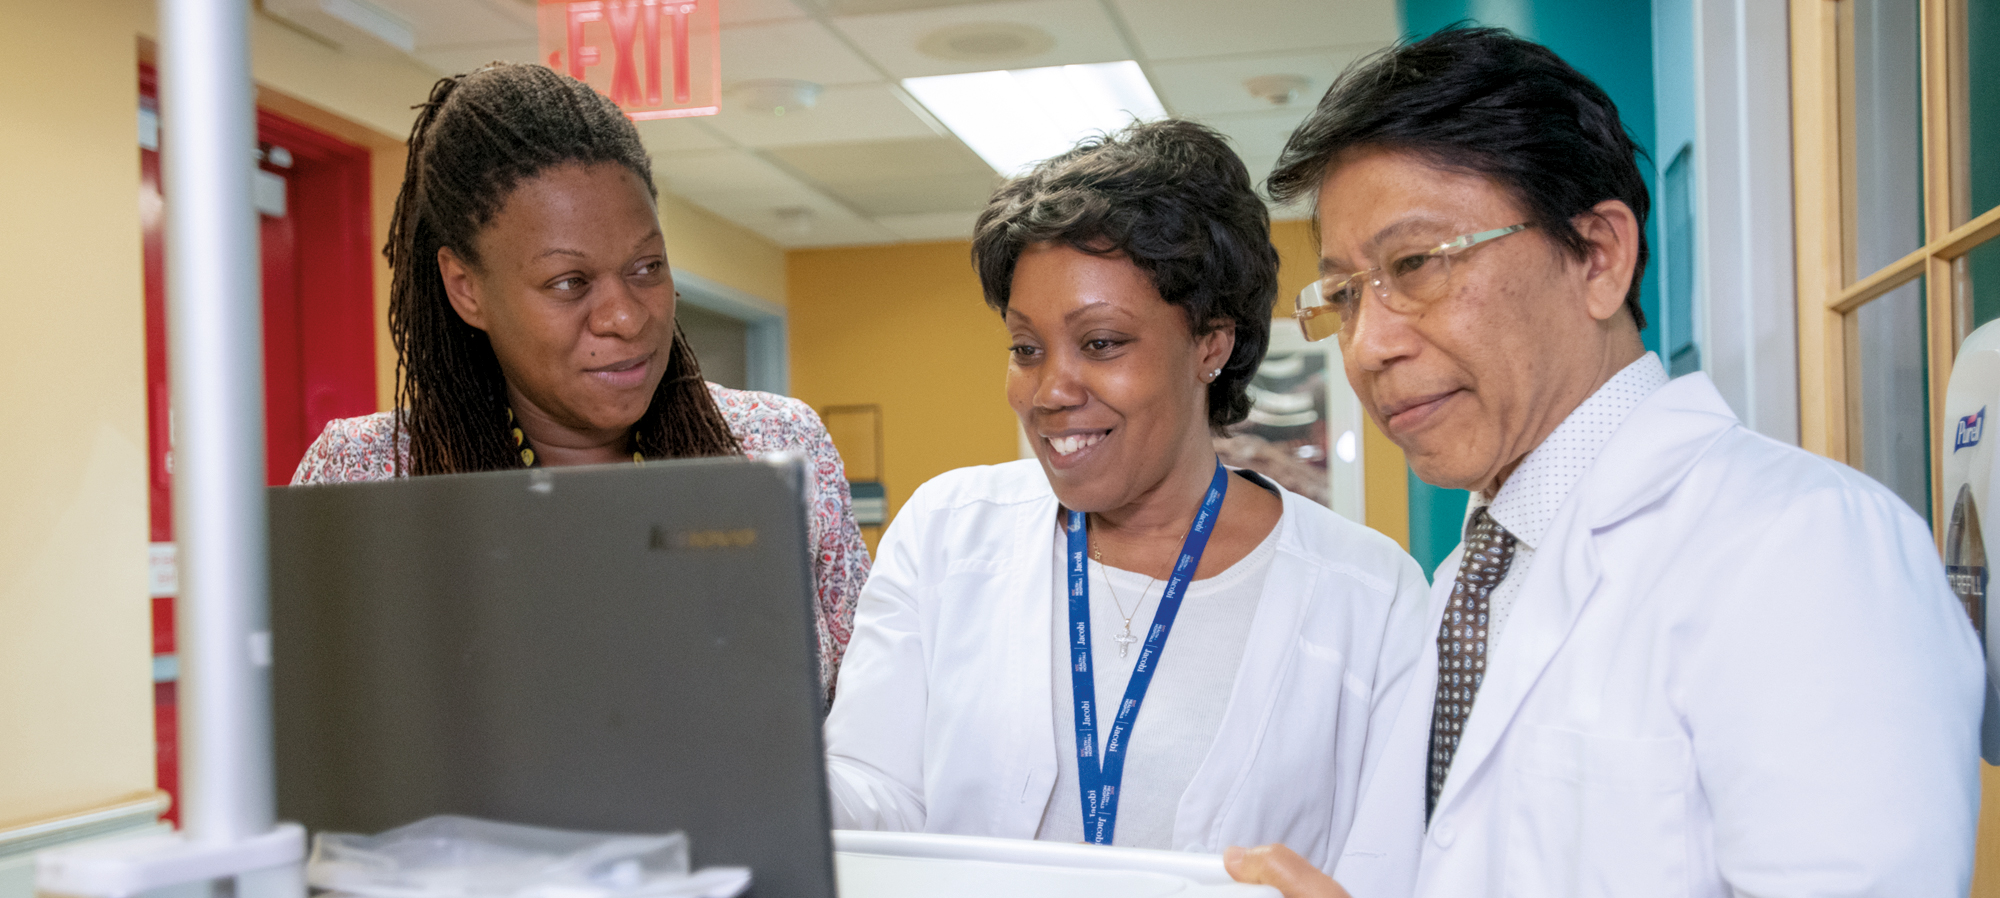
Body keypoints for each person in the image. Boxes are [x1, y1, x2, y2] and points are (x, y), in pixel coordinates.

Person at [1223, 27, 1984, 898]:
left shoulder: (1808, 548)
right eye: (1346, 297)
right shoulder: (1474, 578)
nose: (1370, 345)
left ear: (1598, 256)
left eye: (1416, 265)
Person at [822, 120, 1430, 864]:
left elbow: (1385, 867)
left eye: (1102, 343)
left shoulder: (1368, 593)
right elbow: (872, 793)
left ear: (1212, 342)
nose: (1050, 391)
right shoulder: (949, 533)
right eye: (1025, 348)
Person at [290, 64, 866, 695]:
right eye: (569, 283)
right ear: (466, 288)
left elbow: (872, 727)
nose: (625, 315)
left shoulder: (776, 447)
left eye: (647, 267)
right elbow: (308, 737)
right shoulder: (370, 476)